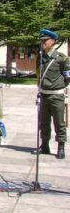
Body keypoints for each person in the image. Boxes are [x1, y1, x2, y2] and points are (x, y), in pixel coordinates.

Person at [32, 29, 69, 160]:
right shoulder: (40, 57)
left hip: (56, 95)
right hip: (44, 95)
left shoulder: (61, 58)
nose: (42, 42)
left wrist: (58, 86)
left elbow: (67, 77)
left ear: (53, 42)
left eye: (45, 40)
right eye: (42, 40)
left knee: (59, 123)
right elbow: (38, 74)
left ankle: (61, 147)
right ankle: (44, 145)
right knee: (44, 122)